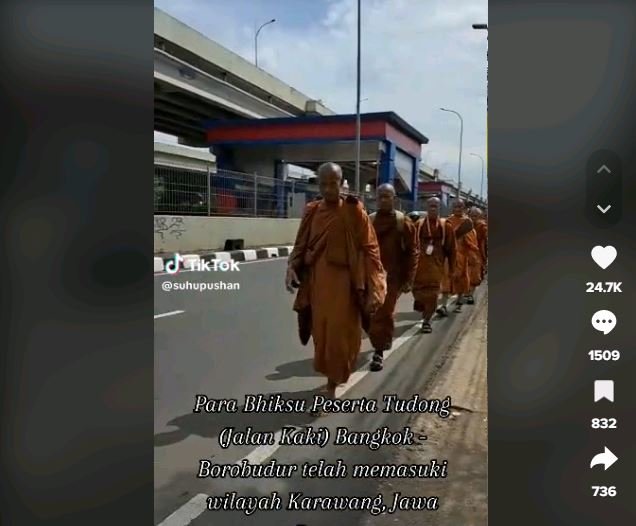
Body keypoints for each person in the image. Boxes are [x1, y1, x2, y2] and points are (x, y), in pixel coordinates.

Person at [285, 162, 386, 411]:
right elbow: (300, 244)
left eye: (334, 183)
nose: (329, 189)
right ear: (318, 185)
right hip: (318, 286)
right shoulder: (311, 211)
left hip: (346, 286)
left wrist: (375, 281)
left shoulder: (354, 212)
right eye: (324, 184)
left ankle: (330, 388)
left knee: (339, 338)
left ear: (342, 184)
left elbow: (371, 247)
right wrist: (291, 267)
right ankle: (329, 379)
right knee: (322, 336)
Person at [367, 184, 419, 371]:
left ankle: (378, 352)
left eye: (387, 196)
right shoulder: (369, 221)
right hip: (370, 277)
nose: (383, 200)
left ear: (394, 198)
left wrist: (409, 279)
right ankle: (376, 342)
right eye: (380, 196)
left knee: (384, 314)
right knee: (368, 315)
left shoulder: (402, 222)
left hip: (392, 278)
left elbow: (413, 252)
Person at [412, 197, 456, 333]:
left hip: (436, 267)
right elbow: (409, 245)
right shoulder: (418, 225)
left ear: (439, 208)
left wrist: (453, 268)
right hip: (419, 267)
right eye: (430, 206)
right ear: (426, 207)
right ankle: (422, 306)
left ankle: (427, 321)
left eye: (435, 206)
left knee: (432, 295)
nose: (433, 208)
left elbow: (451, 249)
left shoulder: (445, 227)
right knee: (418, 294)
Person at [438, 199, 480, 314]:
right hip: (449, 255)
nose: (457, 209)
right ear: (452, 208)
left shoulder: (467, 223)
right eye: (456, 206)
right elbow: (443, 237)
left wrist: (472, 255)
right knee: (446, 279)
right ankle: (444, 305)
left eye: (460, 207)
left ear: (464, 208)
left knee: (461, 278)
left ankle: (459, 302)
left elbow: (471, 241)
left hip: (462, 255)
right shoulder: (448, 221)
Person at [466, 207, 488, 303]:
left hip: (477, 254)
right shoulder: (464, 225)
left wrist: (485, 256)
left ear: (479, 217)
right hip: (465, 254)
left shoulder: (482, 227)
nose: (473, 218)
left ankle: (470, 294)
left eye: (475, 216)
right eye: (471, 216)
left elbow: (485, 242)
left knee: (475, 276)